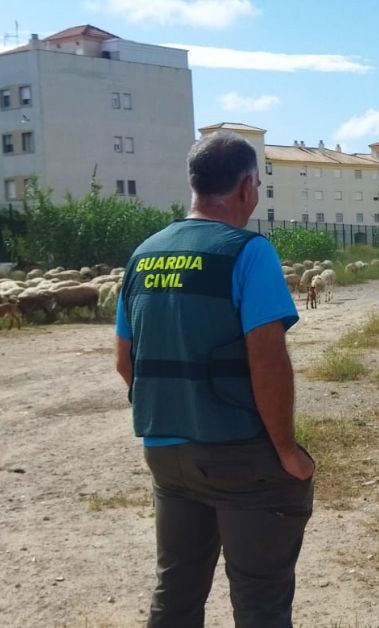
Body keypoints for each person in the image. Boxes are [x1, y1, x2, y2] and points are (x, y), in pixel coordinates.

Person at [114, 131, 314, 627]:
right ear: (246, 186)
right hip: (238, 456)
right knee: (260, 601)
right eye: (259, 185)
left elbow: (125, 361)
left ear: (195, 183)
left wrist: (175, 418)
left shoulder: (144, 254)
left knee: (176, 593)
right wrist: (286, 450)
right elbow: (267, 362)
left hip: (165, 453)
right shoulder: (248, 252)